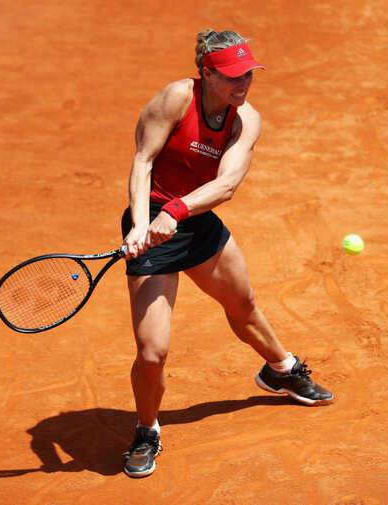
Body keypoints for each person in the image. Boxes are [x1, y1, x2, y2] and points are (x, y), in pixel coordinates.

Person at [120, 28, 334, 478]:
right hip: (153, 223)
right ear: (207, 73)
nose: (244, 84)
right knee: (153, 352)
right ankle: (146, 430)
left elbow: (227, 184)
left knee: (244, 306)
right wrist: (142, 223)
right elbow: (142, 160)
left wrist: (177, 212)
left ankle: (281, 369)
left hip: (193, 224)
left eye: (249, 75)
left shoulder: (245, 119)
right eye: (234, 77)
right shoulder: (176, 98)